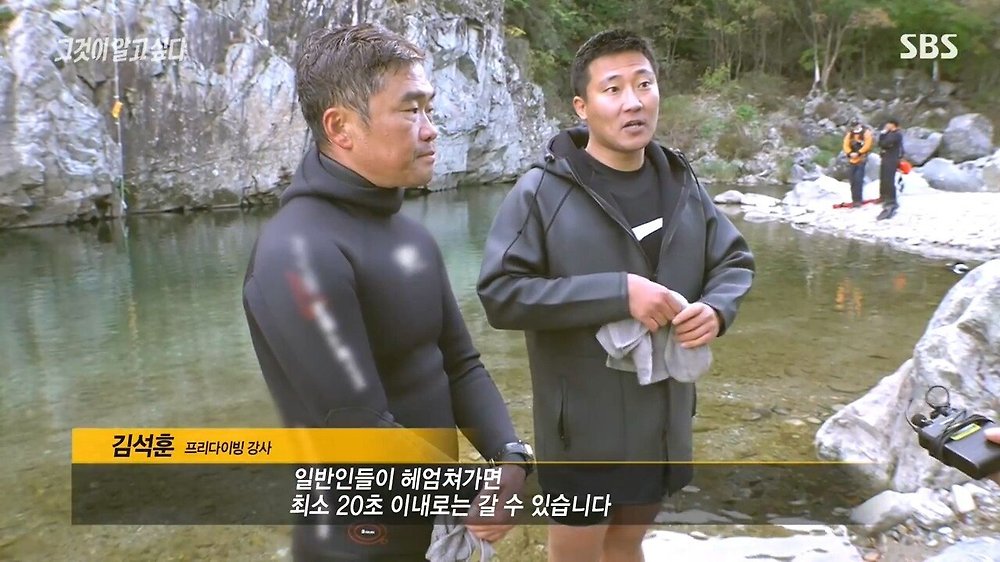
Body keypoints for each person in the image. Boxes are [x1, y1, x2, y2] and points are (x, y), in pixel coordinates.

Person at [242, 24, 531, 561]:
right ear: (341, 127)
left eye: (429, 108)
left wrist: (511, 458)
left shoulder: (411, 237)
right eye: (411, 110)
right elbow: (356, 425)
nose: (431, 130)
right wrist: (479, 492)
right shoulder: (297, 252)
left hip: (431, 523)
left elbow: (460, 365)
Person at [476, 29, 755, 562]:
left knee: (627, 544)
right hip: (582, 430)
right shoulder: (542, 192)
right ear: (582, 107)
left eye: (644, 84)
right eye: (613, 89)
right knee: (578, 553)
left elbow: (733, 260)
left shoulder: (681, 183)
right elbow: (501, 294)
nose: (633, 102)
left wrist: (717, 310)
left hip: (664, 420)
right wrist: (618, 292)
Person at [842, 117, 873, 207]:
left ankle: (859, 200)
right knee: (852, 180)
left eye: (856, 125)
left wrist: (859, 153)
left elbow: (867, 144)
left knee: (859, 179)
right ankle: (854, 199)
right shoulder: (850, 134)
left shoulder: (866, 133)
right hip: (852, 160)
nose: (855, 127)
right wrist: (849, 153)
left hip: (861, 159)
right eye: (853, 126)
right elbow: (845, 145)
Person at [877, 118, 904, 220]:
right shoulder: (888, 133)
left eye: (889, 124)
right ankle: (884, 196)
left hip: (892, 159)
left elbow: (885, 143)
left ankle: (891, 200)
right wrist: (883, 134)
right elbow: (880, 143)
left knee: (889, 179)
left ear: (893, 125)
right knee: (883, 178)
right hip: (885, 158)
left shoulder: (897, 134)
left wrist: (884, 138)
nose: (886, 126)